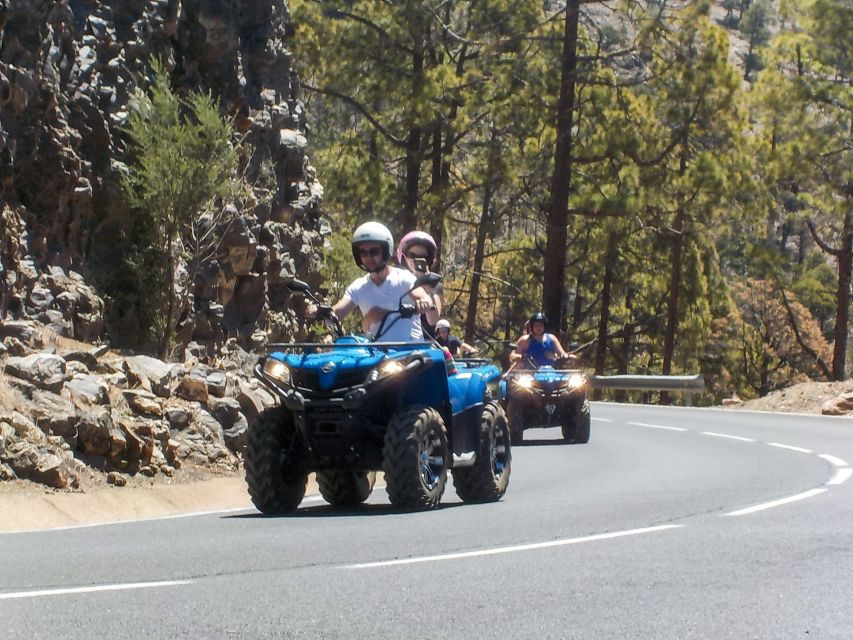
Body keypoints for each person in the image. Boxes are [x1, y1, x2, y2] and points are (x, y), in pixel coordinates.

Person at [326, 221, 438, 342]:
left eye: (374, 252)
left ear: (385, 251)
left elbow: (421, 296)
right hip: (377, 355)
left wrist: (425, 302)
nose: (368, 257)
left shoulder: (403, 278)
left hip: (410, 351)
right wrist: (320, 312)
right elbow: (336, 313)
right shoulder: (358, 286)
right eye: (363, 253)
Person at [396, 230, 444, 337]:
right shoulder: (396, 280)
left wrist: (427, 285)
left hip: (424, 343)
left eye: (423, 257)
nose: (416, 259)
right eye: (412, 255)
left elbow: (433, 320)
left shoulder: (435, 284)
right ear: (404, 257)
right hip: (395, 339)